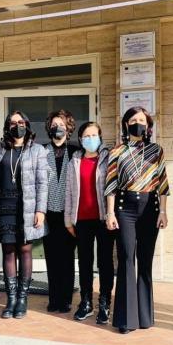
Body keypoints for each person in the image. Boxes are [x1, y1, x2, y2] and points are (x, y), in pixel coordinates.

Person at [105, 107, 169, 334]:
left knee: (145, 260)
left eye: (142, 120)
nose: (137, 123)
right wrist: (110, 213)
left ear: (148, 125)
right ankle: (125, 319)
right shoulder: (117, 151)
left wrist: (163, 211)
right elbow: (111, 184)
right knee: (125, 259)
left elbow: (163, 184)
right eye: (133, 120)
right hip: (125, 208)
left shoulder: (156, 150)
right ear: (125, 124)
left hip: (150, 208)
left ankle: (144, 316)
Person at [0, 111, 48, 319]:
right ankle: (11, 298)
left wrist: (40, 209)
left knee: (25, 250)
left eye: (21, 122)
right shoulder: (0, 150)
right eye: (13, 123)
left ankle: (23, 298)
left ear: (27, 124)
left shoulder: (37, 150)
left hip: (27, 206)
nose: (18, 126)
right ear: (7, 126)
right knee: (8, 251)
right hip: (4, 206)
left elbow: (43, 183)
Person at [64, 121, 115, 323]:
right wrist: (68, 220)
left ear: (100, 137)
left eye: (94, 135)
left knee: (105, 263)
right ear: (80, 139)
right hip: (82, 220)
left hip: (103, 219)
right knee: (84, 263)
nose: (90, 139)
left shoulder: (108, 158)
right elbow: (68, 192)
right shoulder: (74, 161)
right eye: (86, 136)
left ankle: (104, 303)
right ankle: (86, 302)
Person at [43, 110, 79, 314]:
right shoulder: (42, 151)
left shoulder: (75, 151)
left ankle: (65, 299)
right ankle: (53, 298)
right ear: (50, 128)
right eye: (55, 124)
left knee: (67, 258)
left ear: (68, 128)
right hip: (48, 213)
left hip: (68, 214)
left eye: (63, 124)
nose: (59, 128)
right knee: (51, 257)